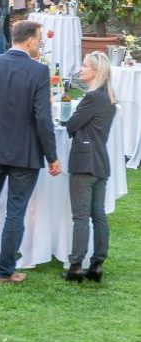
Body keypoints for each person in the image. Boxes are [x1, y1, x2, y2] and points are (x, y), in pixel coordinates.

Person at [0, 20, 60, 284]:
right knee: (15, 211)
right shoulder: (38, 71)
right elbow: (43, 118)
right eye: (39, 39)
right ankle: (5, 270)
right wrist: (52, 156)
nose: (40, 44)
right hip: (25, 151)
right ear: (29, 40)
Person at [61, 51, 117, 283]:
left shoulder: (93, 98)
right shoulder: (108, 97)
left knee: (81, 216)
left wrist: (73, 125)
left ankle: (76, 264)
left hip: (85, 162)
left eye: (85, 66)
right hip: (100, 162)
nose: (81, 69)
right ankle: (97, 263)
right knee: (98, 215)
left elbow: (72, 124)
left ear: (96, 71)